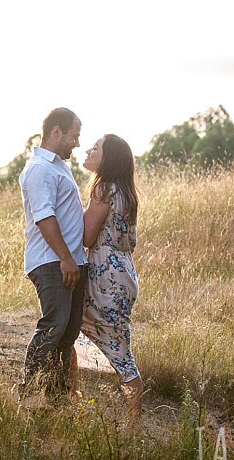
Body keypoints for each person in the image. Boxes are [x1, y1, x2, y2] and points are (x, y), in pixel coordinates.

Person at [19, 107, 88, 406]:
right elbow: (44, 217)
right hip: (52, 262)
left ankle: (56, 399)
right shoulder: (39, 169)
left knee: (67, 333)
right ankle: (29, 392)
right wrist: (65, 258)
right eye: (74, 136)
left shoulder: (60, 166)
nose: (77, 143)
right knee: (54, 325)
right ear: (56, 132)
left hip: (70, 262)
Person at [76, 134, 143, 419]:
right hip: (123, 273)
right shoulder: (126, 192)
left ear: (109, 158)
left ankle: (132, 425)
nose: (89, 149)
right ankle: (82, 401)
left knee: (118, 354)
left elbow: (87, 236)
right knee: (116, 345)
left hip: (107, 278)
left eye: (96, 147)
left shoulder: (104, 189)